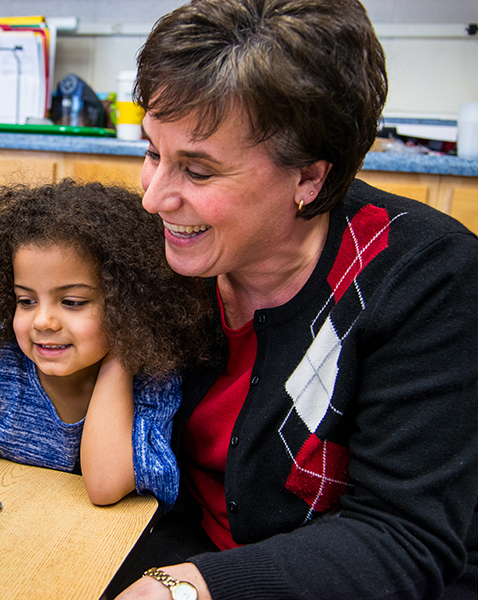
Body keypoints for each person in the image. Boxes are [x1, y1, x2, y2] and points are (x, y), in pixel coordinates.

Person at [113, 0, 478, 599]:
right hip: (182, 555)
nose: (154, 198)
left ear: (309, 178)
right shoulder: (173, 251)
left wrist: (190, 588)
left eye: (198, 172)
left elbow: (402, 539)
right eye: (153, 153)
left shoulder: (425, 277)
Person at [0, 179, 219, 507]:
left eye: (72, 302)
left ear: (127, 303)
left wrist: (124, 348)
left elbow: (105, 485)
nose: (42, 321)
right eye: (26, 301)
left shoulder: (152, 383)